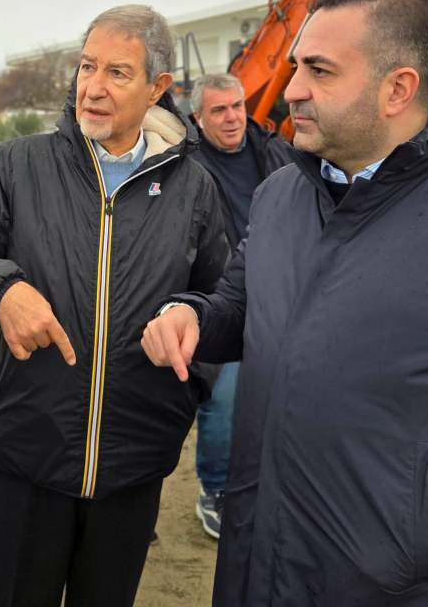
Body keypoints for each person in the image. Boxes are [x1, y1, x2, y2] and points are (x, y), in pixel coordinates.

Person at [142, 0, 428, 606]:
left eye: (319, 70)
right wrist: (190, 314)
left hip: (406, 586)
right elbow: (240, 306)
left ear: (398, 88)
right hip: (260, 565)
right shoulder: (279, 196)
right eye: (295, 68)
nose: (291, 91)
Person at [0, 5, 228, 607]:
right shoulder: (19, 165)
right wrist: (1, 288)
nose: (92, 87)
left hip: (134, 468)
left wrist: (188, 350)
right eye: (87, 66)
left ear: (158, 89)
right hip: (26, 460)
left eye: (118, 72)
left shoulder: (194, 187)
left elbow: (222, 302)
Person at [187, 72, 293, 538]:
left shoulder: (273, 149)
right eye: (218, 110)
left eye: (236, 106)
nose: (231, 117)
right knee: (225, 399)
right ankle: (215, 492)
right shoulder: (187, 167)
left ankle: (268, 486)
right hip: (223, 295)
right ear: (198, 118)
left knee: (283, 394)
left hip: (284, 289)